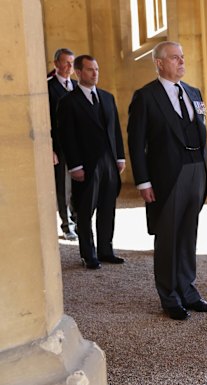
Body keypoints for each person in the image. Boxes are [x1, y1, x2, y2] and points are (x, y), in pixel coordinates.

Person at [127, 41, 207, 320]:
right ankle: (169, 296)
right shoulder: (145, 96)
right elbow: (136, 142)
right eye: (175, 58)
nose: (181, 62)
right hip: (167, 176)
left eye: (182, 57)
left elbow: (200, 131)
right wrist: (143, 182)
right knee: (168, 237)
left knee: (188, 234)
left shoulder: (193, 92)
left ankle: (188, 291)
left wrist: (204, 171)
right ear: (159, 63)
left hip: (195, 170)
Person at [57, 55, 126, 270]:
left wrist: (120, 157)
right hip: (86, 163)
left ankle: (106, 250)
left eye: (96, 69)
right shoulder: (68, 102)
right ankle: (88, 254)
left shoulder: (107, 97)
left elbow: (115, 130)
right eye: (89, 70)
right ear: (78, 72)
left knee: (108, 207)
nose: (95, 73)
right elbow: (67, 136)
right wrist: (75, 166)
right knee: (85, 210)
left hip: (109, 161)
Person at [48, 48, 77, 241]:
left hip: (80, 147)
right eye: (65, 63)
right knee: (63, 188)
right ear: (56, 64)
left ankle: (78, 221)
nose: (69, 67)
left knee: (79, 187)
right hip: (60, 147)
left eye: (72, 63)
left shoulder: (77, 85)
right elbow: (46, 120)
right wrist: (50, 149)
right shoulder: (47, 87)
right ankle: (67, 226)